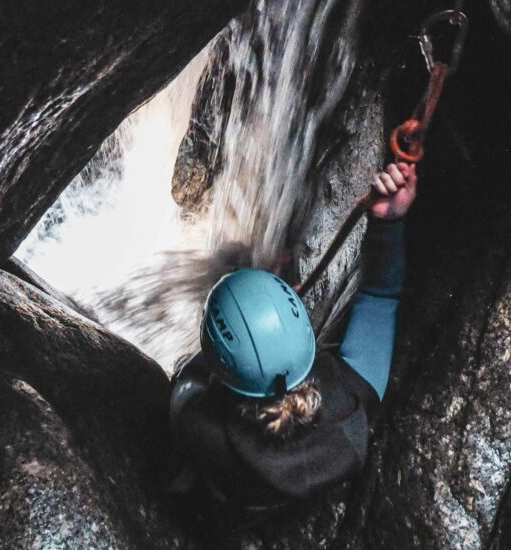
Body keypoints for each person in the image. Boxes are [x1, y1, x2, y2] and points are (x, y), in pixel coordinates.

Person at [169, 162, 418, 511]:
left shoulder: (201, 428)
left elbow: (191, 373)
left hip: (233, 491)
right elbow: (380, 297)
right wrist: (388, 219)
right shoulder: (354, 397)